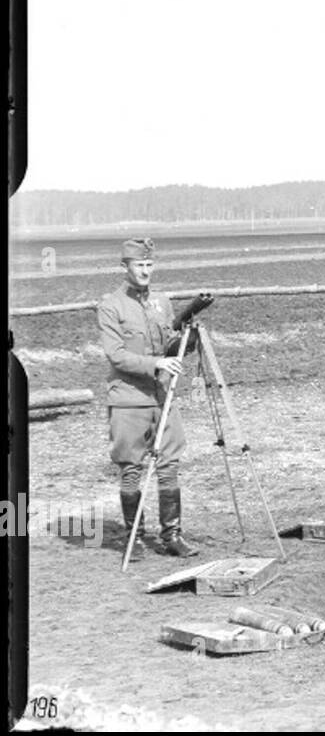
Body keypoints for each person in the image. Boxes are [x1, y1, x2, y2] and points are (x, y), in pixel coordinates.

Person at [96, 237, 198, 559]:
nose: (145, 271)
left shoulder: (162, 302)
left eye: (149, 265)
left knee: (169, 466)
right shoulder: (111, 305)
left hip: (162, 397)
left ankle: (173, 536)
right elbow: (116, 356)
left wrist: (187, 338)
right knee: (131, 469)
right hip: (128, 399)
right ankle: (134, 538)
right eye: (139, 265)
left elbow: (170, 347)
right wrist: (155, 363)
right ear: (124, 267)